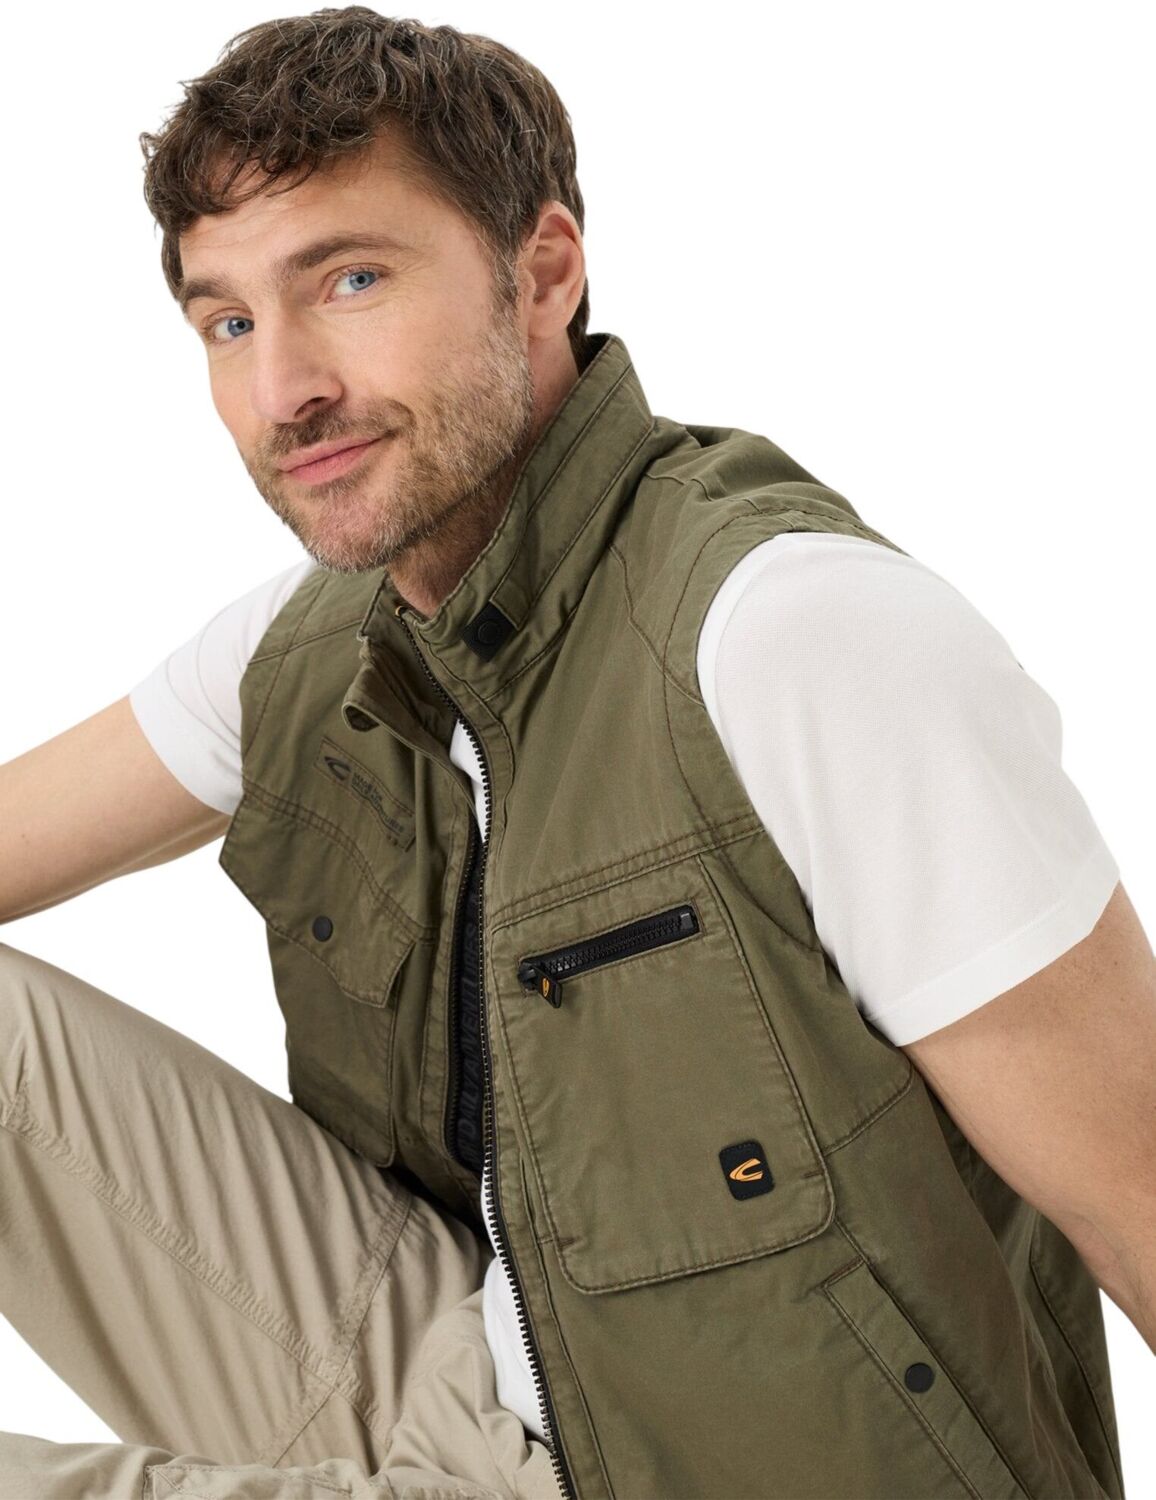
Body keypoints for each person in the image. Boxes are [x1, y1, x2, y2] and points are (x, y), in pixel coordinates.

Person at [0, 7, 1152, 1498]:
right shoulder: (319, 642)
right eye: (228, 323)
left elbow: (1138, 1198)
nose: (283, 390)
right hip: (463, 1378)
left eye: (350, 280)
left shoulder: (791, 636)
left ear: (543, 272)